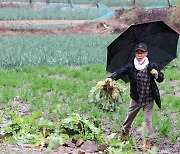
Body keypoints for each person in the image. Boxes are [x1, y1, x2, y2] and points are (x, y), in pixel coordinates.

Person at [108, 43, 164, 148]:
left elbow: (160, 79)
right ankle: (125, 133)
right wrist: (111, 78)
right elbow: (120, 72)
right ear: (135, 54)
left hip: (148, 97)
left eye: (142, 53)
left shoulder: (152, 65)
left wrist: (156, 74)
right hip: (136, 98)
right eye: (137, 53)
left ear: (146, 53)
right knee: (129, 117)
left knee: (148, 120)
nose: (139, 55)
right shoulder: (131, 65)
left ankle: (147, 140)